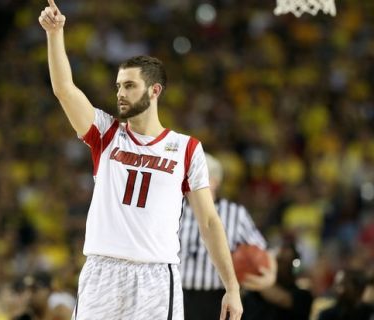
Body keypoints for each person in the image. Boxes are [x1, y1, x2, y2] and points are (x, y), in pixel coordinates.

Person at [38, 1, 243, 319]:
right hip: (101, 270)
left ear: (155, 90)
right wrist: (55, 34)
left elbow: (209, 221)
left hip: (155, 276)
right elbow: (65, 89)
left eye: (130, 86)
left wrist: (232, 287)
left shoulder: (186, 148)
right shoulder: (106, 133)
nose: (120, 92)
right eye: (118, 85)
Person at [180, 153, 276, 320]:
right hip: (177, 294)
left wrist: (270, 276)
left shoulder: (234, 213)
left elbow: (263, 249)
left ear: (215, 182)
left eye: (198, 176)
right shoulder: (173, 208)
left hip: (218, 297)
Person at [242, 240, 313, 320]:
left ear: (294, 269)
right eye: (278, 260)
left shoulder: (303, 296)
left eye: (285, 262)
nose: (279, 265)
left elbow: (280, 298)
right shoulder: (255, 291)